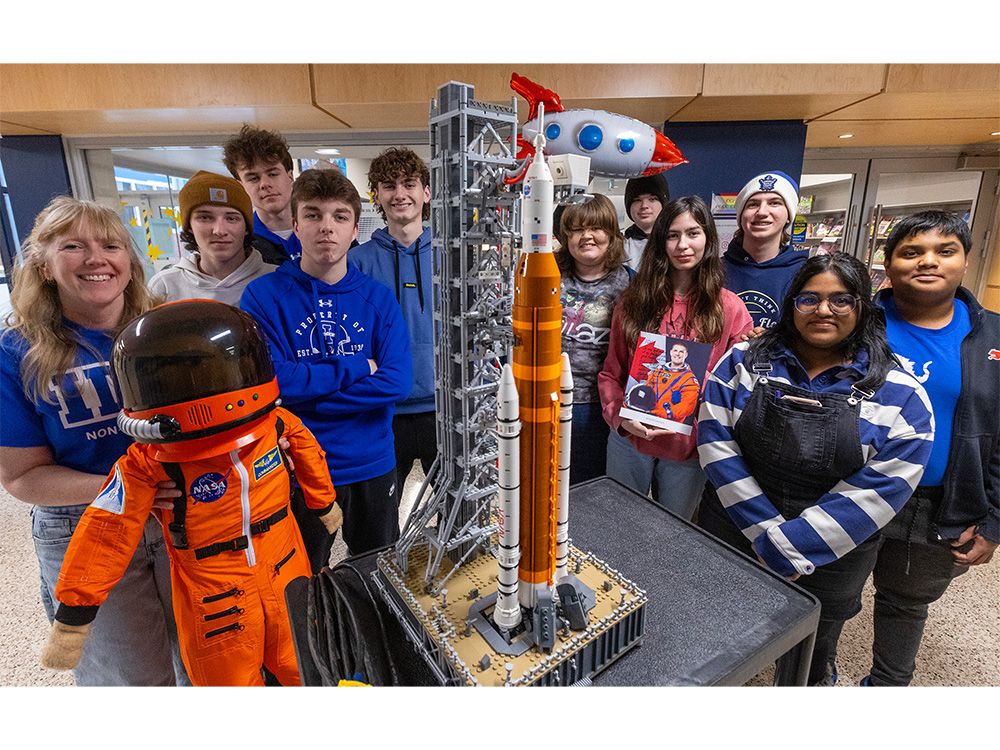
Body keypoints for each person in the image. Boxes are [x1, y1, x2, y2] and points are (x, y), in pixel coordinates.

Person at [41, 301, 342, 686]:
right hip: (214, 595)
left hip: (287, 568)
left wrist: (323, 503)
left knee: (309, 668)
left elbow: (309, 455)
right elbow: (106, 529)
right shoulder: (147, 461)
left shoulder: (276, 426)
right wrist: (74, 613)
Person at [697, 252, 935, 686]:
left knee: (813, 646)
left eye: (841, 300)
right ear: (791, 305)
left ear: (862, 308)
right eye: (809, 299)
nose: (823, 310)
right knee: (717, 627)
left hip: (834, 549)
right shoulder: (742, 361)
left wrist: (792, 545)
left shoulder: (902, 393)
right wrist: (766, 532)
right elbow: (716, 442)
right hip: (734, 523)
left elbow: (883, 486)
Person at [0, 196, 187, 686]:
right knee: (130, 684)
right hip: (86, 526)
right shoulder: (14, 352)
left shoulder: (169, 328)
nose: (96, 259)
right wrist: (127, 485)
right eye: (74, 246)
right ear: (42, 263)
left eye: (111, 245)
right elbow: (22, 478)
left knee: (206, 665)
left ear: (129, 261)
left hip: (181, 517)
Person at [241, 169, 412, 555]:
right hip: (298, 468)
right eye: (313, 215)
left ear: (355, 229)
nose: (326, 228)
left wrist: (306, 395)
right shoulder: (263, 297)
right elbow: (272, 384)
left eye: (340, 216)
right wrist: (357, 369)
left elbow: (397, 382)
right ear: (296, 225)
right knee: (302, 578)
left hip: (373, 463)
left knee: (377, 572)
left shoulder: (379, 299)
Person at [862, 211, 999, 686]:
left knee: (905, 603)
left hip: (940, 504)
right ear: (888, 262)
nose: (928, 261)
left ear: (965, 260)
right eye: (911, 251)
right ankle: (815, 678)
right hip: (853, 491)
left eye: (945, 251)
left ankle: (886, 688)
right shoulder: (855, 322)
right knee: (830, 593)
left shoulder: (993, 337)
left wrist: (995, 520)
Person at [599, 196, 752, 519]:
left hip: (689, 448)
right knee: (617, 525)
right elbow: (612, 373)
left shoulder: (730, 309)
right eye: (672, 235)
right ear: (660, 242)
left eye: (693, 233)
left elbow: (738, 390)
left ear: (708, 239)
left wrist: (710, 390)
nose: (683, 244)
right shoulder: (633, 301)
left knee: (673, 535)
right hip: (631, 440)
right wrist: (620, 419)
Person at [350, 147, 436, 491]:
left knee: (456, 516)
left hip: (441, 410)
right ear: (377, 196)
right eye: (389, 185)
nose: (400, 194)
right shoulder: (355, 263)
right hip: (381, 411)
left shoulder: (455, 258)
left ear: (425, 193)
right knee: (381, 520)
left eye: (409, 184)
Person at [554, 194, 632, 485]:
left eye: (596, 228)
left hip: (598, 407)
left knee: (590, 489)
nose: (586, 236)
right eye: (576, 229)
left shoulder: (630, 284)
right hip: (548, 400)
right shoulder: (550, 276)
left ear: (611, 234)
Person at [148, 170, 274, 305]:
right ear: (189, 226)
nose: (219, 230)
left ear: (246, 227)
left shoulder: (277, 280)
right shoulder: (164, 287)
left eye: (231, 218)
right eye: (205, 217)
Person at [723, 171, 808, 330]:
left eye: (774, 203)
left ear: (789, 216)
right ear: (741, 216)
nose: (762, 212)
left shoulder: (804, 274)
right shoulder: (714, 270)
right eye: (753, 204)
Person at [222, 124, 301, 265]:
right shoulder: (238, 243)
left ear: (290, 177)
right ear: (241, 186)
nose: (265, 184)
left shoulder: (326, 228)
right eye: (253, 178)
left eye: (272, 174)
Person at [622, 173, 669, 271]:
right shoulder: (618, 246)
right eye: (637, 200)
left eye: (652, 199)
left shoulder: (675, 242)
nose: (644, 206)